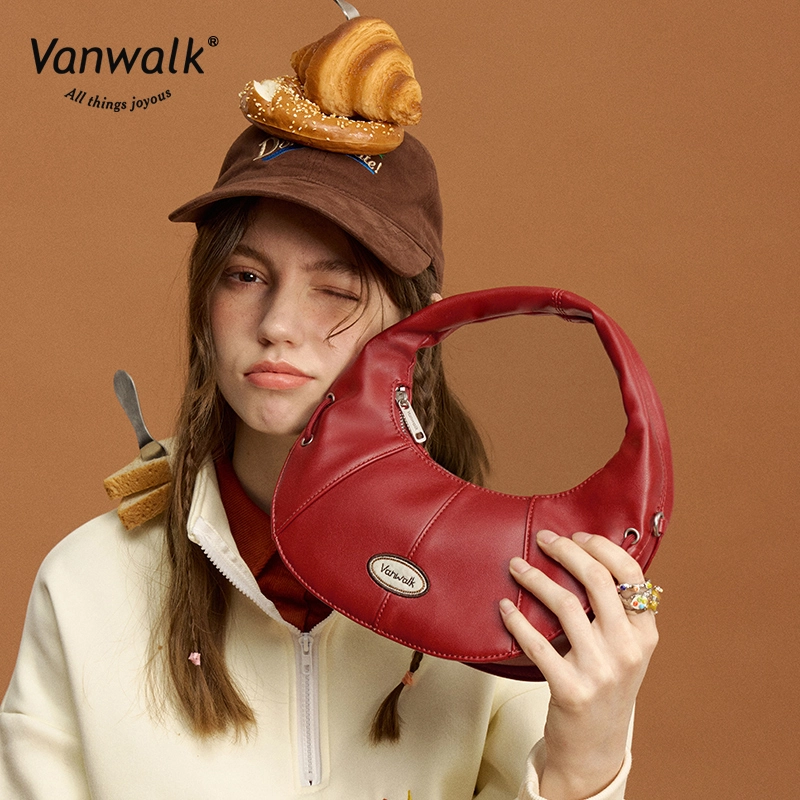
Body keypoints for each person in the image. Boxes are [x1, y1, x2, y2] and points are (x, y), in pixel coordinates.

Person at [0, 125, 658, 799]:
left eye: (336, 288)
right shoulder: (84, 584)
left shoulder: (510, 593)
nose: (277, 324)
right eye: (245, 276)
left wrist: (585, 765)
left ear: (420, 329)